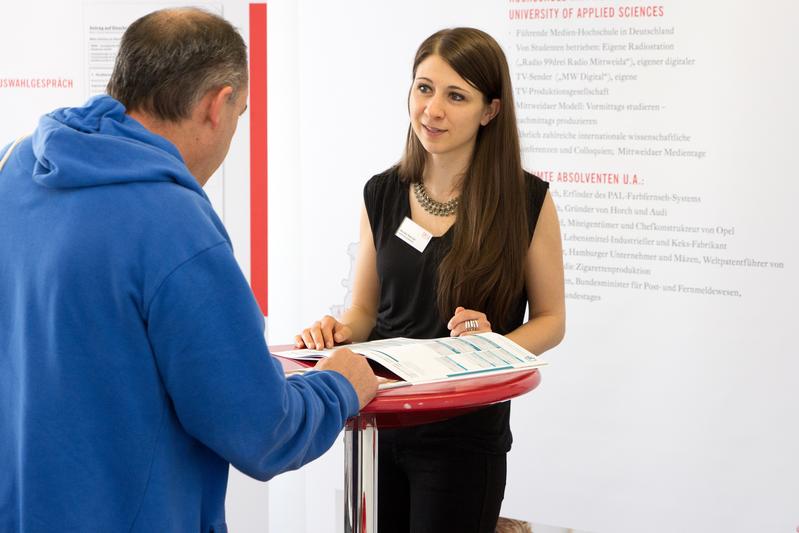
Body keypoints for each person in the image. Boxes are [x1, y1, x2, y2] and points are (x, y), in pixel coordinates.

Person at [0, 8, 377, 533]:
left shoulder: (14, 166)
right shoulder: (175, 226)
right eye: (241, 113)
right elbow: (262, 430)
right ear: (217, 104)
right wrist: (340, 385)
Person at [296, 28, 565, 532]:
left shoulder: (527, 202)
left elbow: (551, 321)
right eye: (424, 88)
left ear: (490, 111)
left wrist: (492, 349)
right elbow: (365, 310)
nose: (432, 110)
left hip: (463, 436)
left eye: (455, 96)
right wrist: (336, 331)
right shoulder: (381, 192)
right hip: (378, 424)